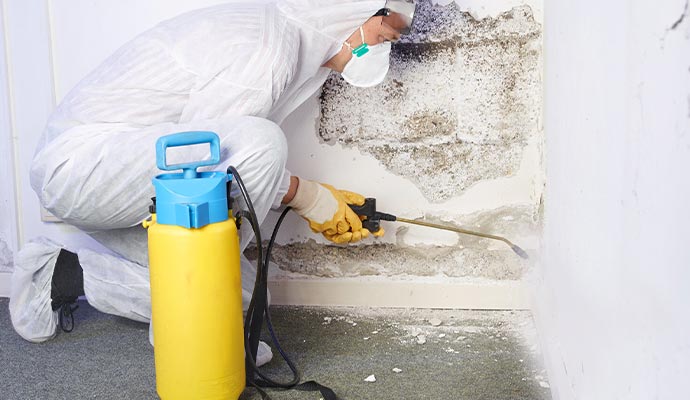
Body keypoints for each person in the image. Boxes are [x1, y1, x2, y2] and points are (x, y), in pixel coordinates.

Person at [9, 0, 415, 366]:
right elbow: (201, 163)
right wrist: (305, 196)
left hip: (124, 172)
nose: (379, 51)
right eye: (382, 37)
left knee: (239, 296)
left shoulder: (283, 37)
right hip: (86, 169)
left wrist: (308, 197)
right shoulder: (266, 52)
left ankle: (64, 273)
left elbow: (205, 164)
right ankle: (191, 345)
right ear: (351, 10)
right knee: (261, 144)